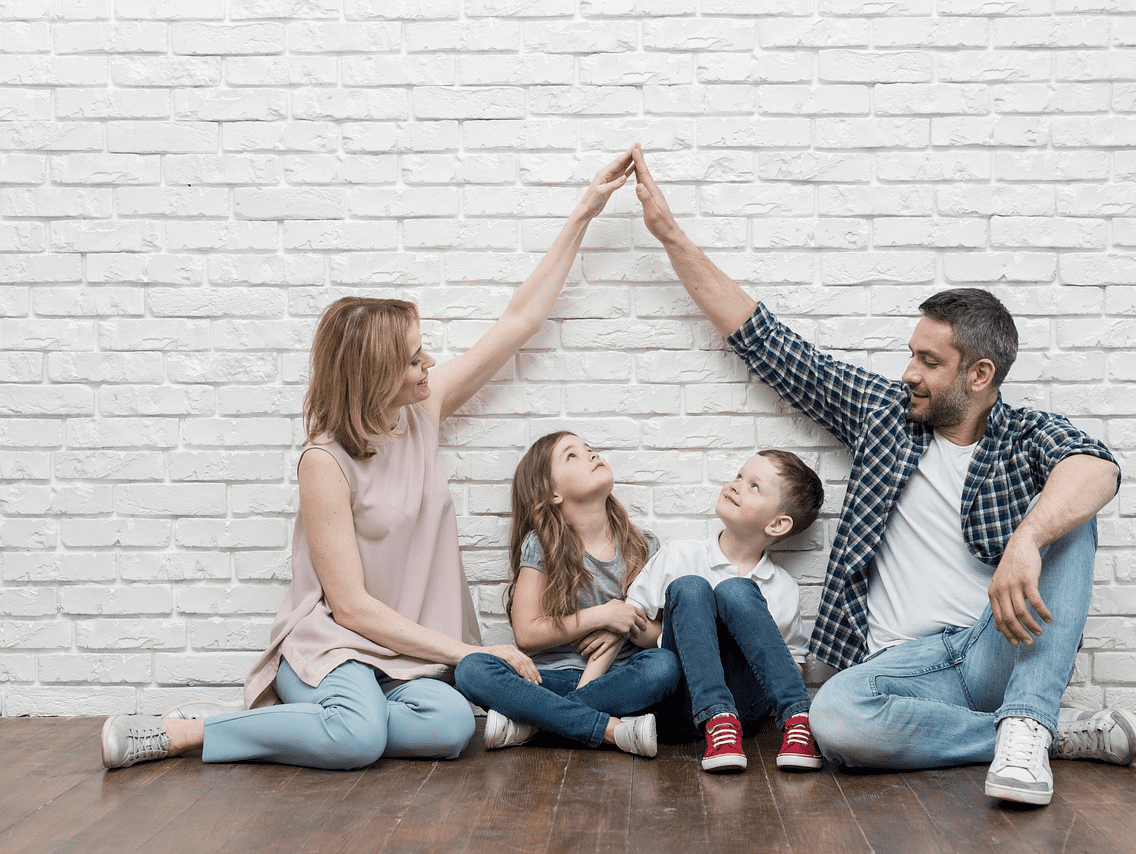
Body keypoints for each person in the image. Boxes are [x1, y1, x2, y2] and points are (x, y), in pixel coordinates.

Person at [630, 145, 1136, 806]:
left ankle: (1025, 719)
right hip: (898, 669)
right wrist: (669, 235)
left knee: (1073, 517)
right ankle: (1041, 732)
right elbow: (771, 344)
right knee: (835, 720)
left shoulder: (1024, 436)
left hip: (992, 647)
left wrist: (1027, 539)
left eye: (929, 361)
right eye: (911, 355)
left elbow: (1097, 468)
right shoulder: (884, 415)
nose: (909, 373)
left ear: (979, 375)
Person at [100, 148, 638, 771]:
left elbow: (519, 320)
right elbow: (351, 607)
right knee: (358, 739)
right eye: (413, 358)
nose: (429, 363)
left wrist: (585, 211)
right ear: (375, 374)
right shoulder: (324, 462)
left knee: (449, 729)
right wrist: (470, 653)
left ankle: (332, 722)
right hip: (337, 645)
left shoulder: (422, 412)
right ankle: (190, 732)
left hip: (409, 653)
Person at [452, 432, 680, 757]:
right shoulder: (541, 545)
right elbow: (527, 634)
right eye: (572, 455)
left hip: (617, 680)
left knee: (664, 666)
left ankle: (536, 725)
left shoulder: (644, 546)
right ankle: (609, 729)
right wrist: (603, 615)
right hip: (549, 680)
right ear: (552, 493)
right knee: (471, 669)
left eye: (590, 449)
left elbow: (660, 636)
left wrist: (628, 622)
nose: (592, 455)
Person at [625, 450, 825, 774]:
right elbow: (632, 619)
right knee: (691, 587)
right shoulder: (679, 555)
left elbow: (795, 663)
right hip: (683, 703)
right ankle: (717, 718)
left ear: (777, 524)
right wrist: (686, 634)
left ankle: (797, 719)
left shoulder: (782, 587)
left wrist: (752, 646)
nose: (735, 485)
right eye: (739, 476)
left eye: (754, 486)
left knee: (736, 591)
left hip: (746, 707)